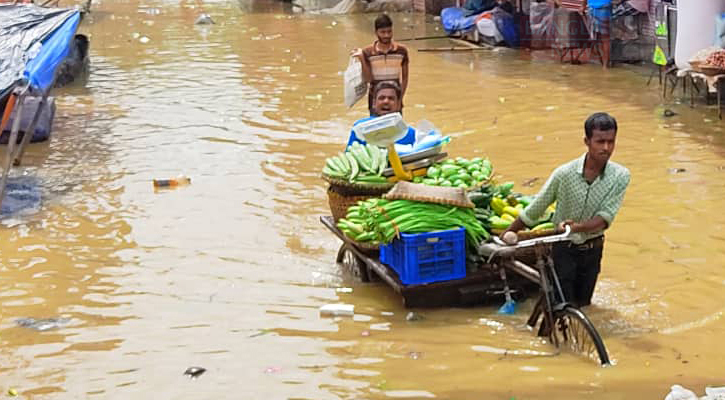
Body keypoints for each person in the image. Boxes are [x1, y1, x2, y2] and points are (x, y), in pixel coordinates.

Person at [502, 112, 630, 307]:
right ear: (587, 141)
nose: (606, 148)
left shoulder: (620, 176)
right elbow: (538, 206)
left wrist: (576, 227)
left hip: (593, 248)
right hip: (563, 249)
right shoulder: (564, 174)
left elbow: (605, 217)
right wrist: (511, 230)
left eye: (610, 142)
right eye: (600, 142)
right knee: (562, 305)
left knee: (584, 305)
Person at [351, 14, 409, 116]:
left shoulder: (401, 51)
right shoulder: (367, 52)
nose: (386, 35)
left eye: (389, 31)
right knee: (376, 130)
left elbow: (405, 78)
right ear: (376, 32)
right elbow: (368, 79)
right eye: (383, 32)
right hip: (375, 101)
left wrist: (400, 99)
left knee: (396, 130)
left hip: (394, 100)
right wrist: (362, 59)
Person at [346, 80, 415, 148]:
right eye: (381, 98)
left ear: (398, 104)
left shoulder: (409, 133)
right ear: (373, 103)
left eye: (391, 98)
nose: (386, 101)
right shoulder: (361, 129)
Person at [581, 0, 612, 69]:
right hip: (603, 7)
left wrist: (583, 6)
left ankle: (604, 62)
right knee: (605, 38)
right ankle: (605, 64)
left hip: (594, 8)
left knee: (597, 37)